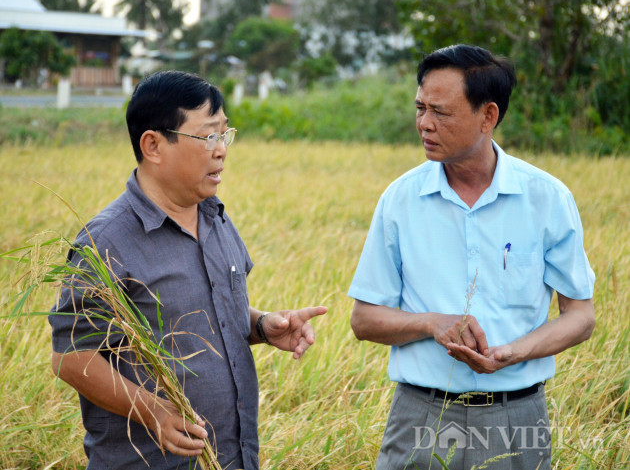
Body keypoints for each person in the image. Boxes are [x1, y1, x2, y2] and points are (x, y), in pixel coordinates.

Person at [49, 70, 327, 470]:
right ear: (154, 145)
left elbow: (206, 311)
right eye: (208, 136)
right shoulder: (106, 241)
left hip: (234, 457)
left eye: (225, 135)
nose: (221, 151)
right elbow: (71, 357)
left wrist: (264, 325)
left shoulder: (215, 218)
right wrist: (153, 411)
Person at [348, 44, 595, 470]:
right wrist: (430, 323)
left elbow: (581, 316)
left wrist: (513, 353)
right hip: (421, 415)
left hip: (517, 418)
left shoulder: (547, 198)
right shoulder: (400, 200)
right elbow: (365, 320)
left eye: (440, 112)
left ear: (488, 117)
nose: (424, 123)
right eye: (420, 108)